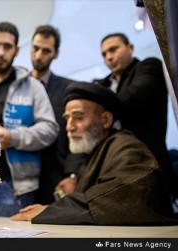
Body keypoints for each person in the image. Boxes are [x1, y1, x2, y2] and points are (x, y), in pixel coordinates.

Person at [10, 81, 177, 225]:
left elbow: (123, 196)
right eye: (67, 118)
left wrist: (52, 211)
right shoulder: (96, 150)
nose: (69, 127)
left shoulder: (126, 146)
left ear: (105, 120)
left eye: (78, 117)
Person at [0, 21, 58, 217]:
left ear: (16, 51)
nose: (0, 52)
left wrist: (13, 137)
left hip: (12, 187)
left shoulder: (32, 86)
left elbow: (50, 129)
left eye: (7, 47)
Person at [93, 32, 176, 197]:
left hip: (149, 163)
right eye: (104, 54)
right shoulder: (102, 84)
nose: (109, 57)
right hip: (113, 166)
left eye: (113, 50)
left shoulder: (149, 66)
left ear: (130, 48)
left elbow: (132, 98)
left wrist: (97, 106)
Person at [30, 24, 76, 204]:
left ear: (56, 53)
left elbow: (75, 134)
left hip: (54, 177)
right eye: (36, 48)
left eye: (46, 50)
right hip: (18, 178)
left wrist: (73, 173)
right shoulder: (16, 87)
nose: (39, 55)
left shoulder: (68, 89)